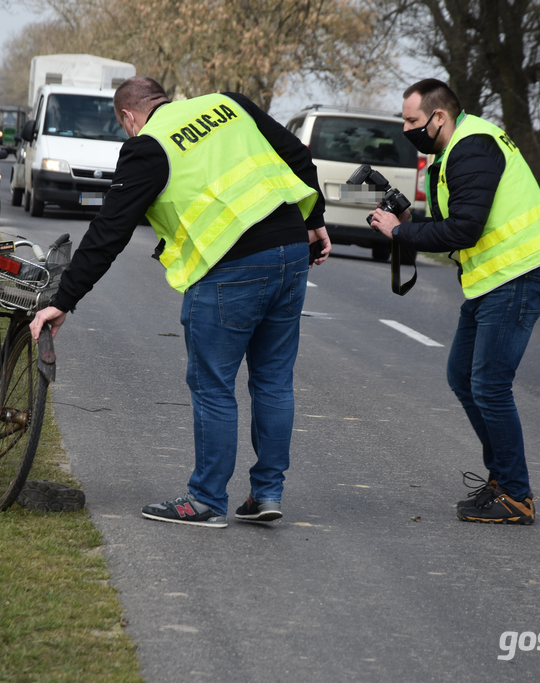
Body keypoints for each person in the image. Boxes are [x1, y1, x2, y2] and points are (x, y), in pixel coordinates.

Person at [29, 76, 330, 528]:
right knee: (273, 381)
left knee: (213, 384)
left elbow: (109, 231)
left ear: (128, 116)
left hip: (232, 268)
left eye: (123, 126)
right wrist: (314, 220)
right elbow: (298, 155)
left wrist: (64, 299)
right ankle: (267, 493)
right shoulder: (230, 104)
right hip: (290, 251)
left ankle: (206, 500)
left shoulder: (147, 147)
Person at [370, 79, 540, 525]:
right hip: (492, 278)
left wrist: (399, 234)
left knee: (490, 385)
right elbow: (453, 220)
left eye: (412, 120)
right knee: (462, 375)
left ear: (439, 116)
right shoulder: (451, 152)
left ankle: (516, 495)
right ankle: (502, 479)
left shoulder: (472, 148)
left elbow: (464, 230)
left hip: (518, 272)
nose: (406, 128)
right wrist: (406, 219)